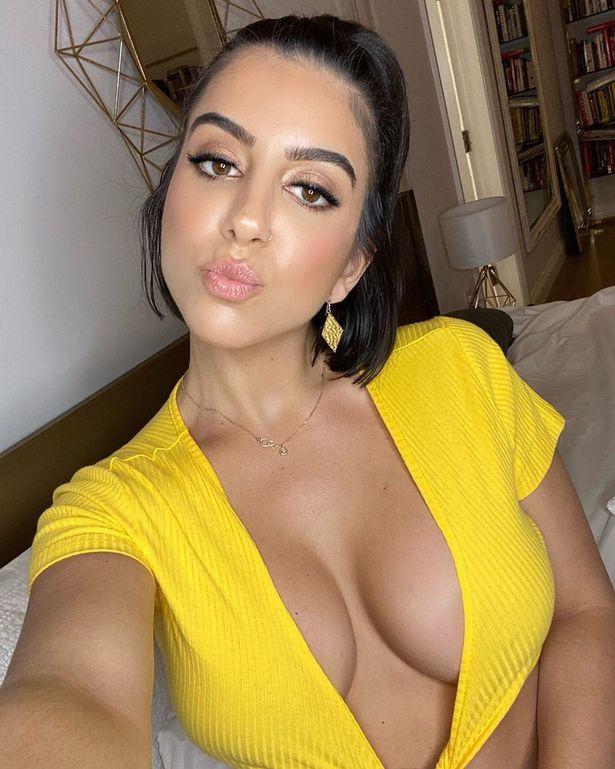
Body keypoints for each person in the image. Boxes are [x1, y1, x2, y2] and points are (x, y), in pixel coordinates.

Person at [4, 13, 613, 769]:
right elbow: (68, 692)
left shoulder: (461, 367)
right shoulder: (113, 508)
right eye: (217, 162)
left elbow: (586, 609)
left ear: (352, 263)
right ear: (169, 197)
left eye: (310, 190)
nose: (245, 219)